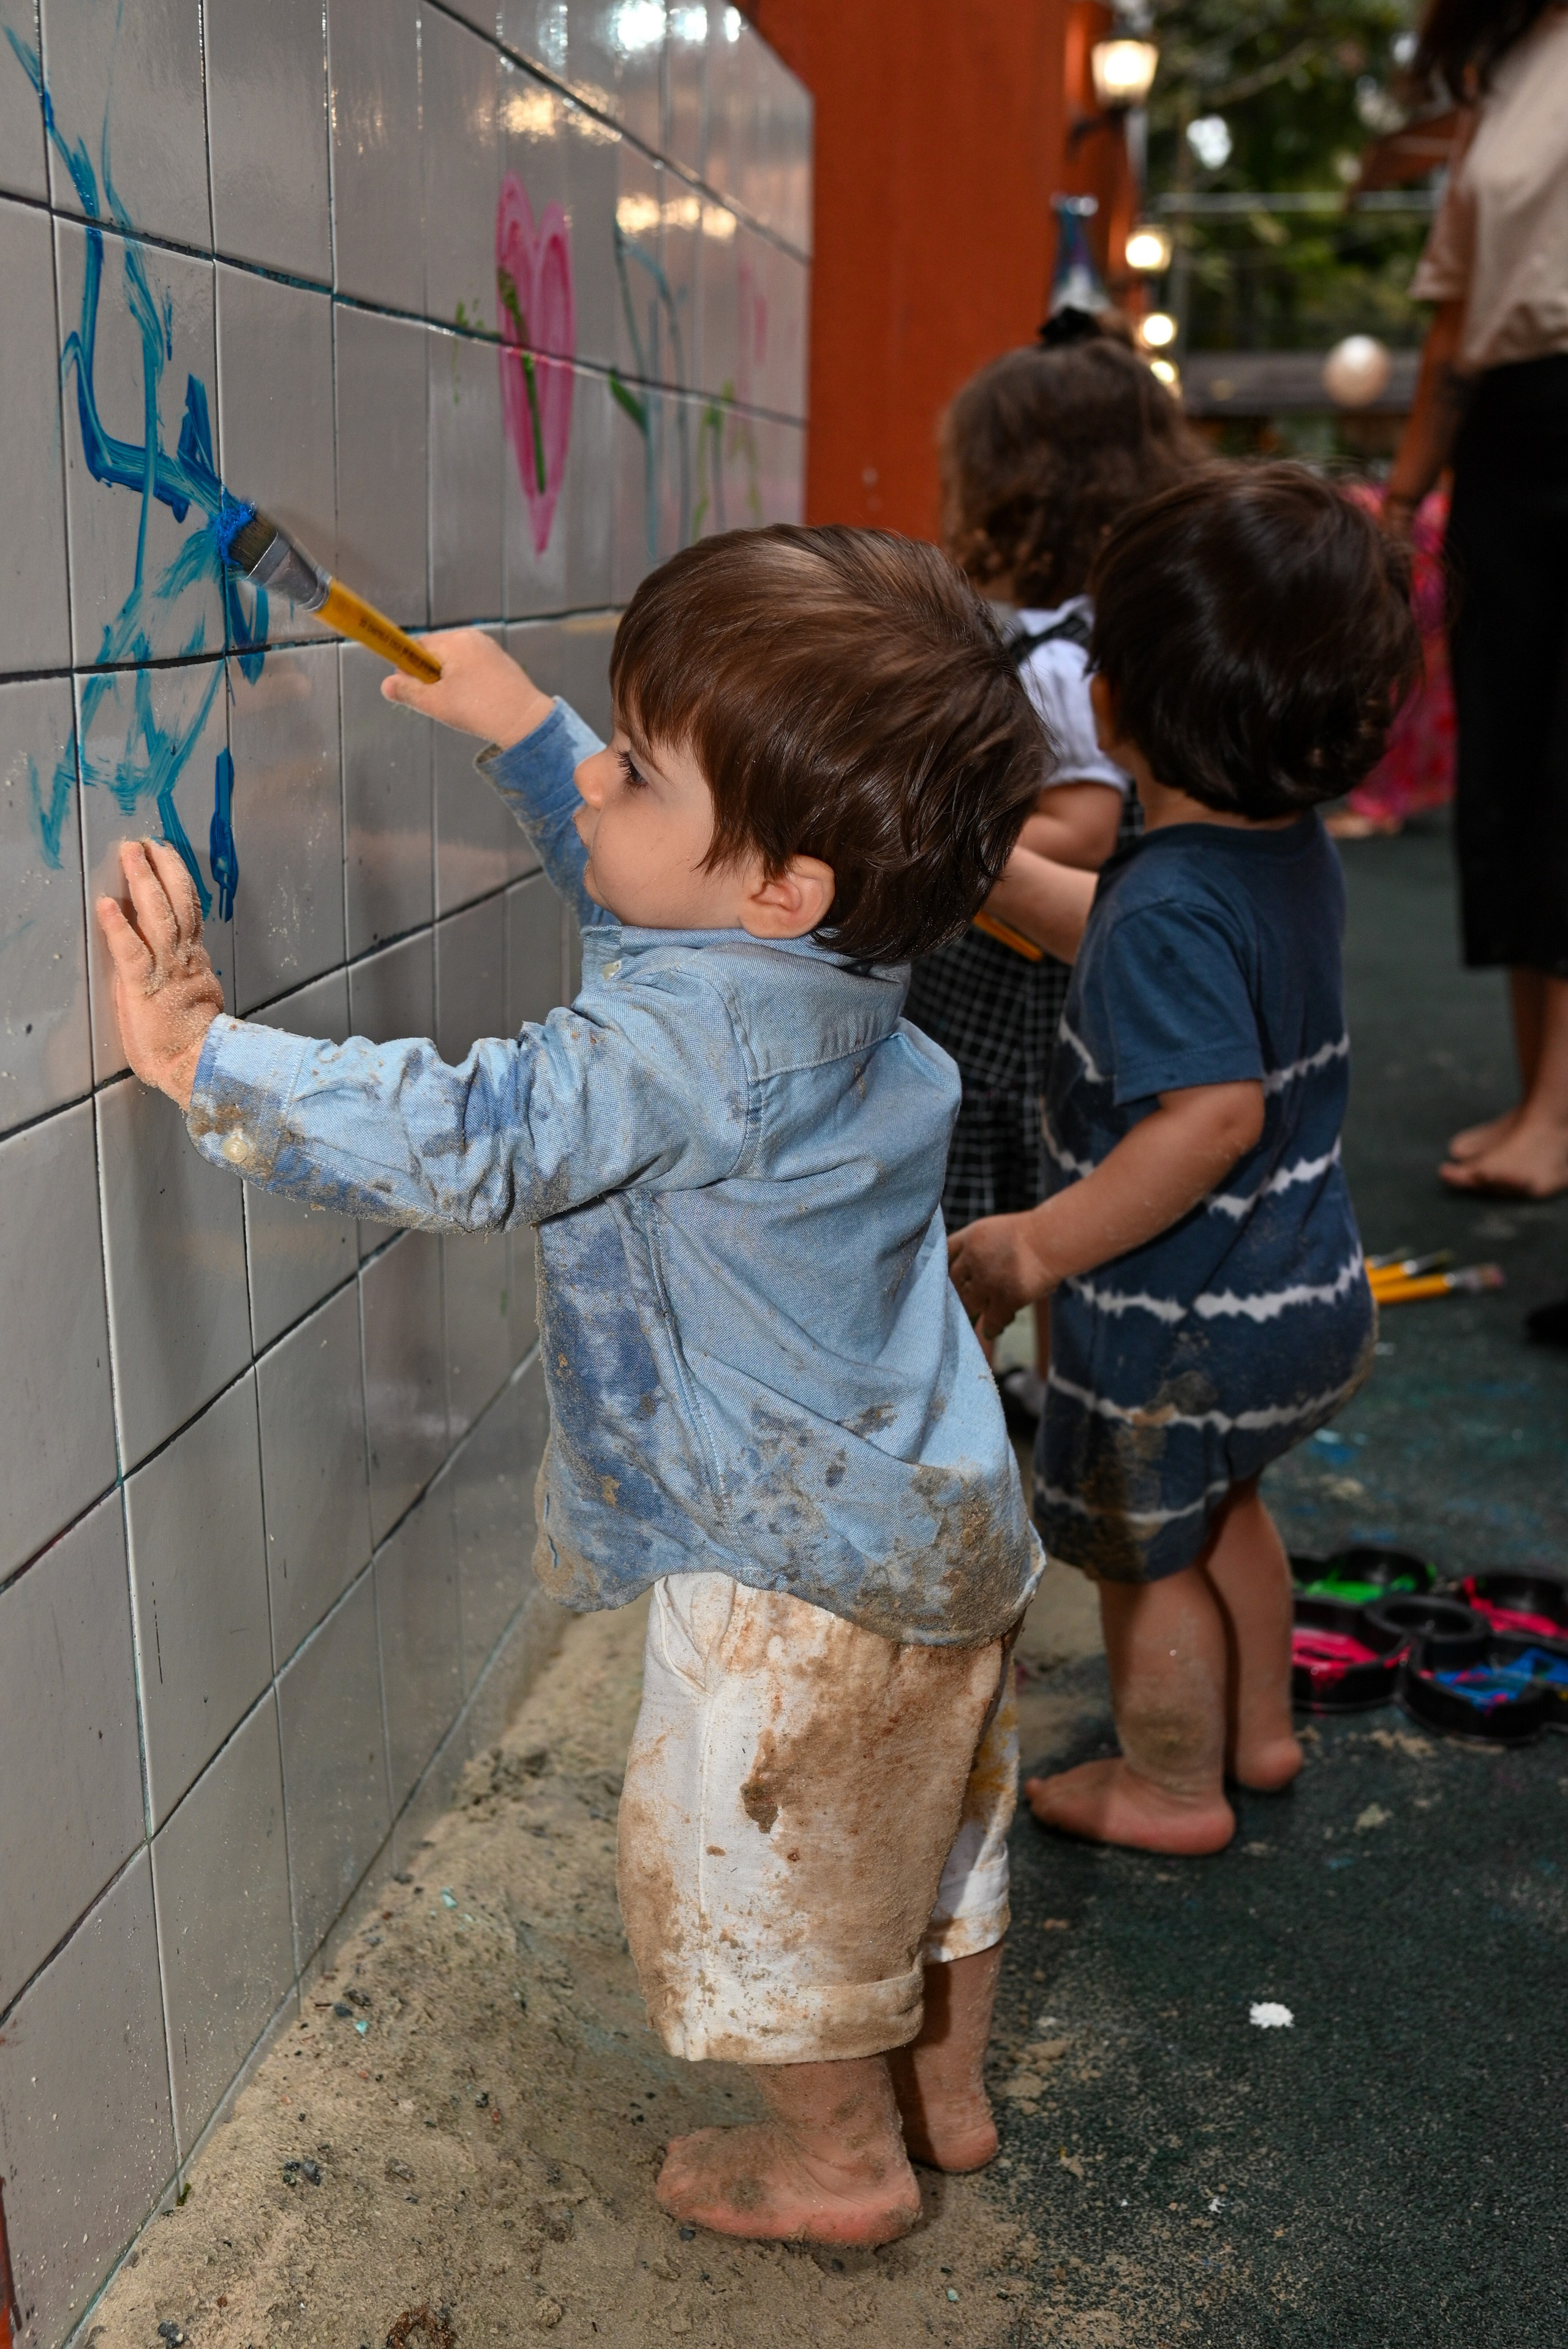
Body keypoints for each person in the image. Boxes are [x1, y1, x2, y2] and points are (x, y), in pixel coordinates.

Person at [94, 526, 1049, 2249]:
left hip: (792, 1587)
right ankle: (948, 2097)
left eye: (632, 764)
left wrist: (203, 1058)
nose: (600, 781)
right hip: (949, 1517)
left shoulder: (683, 1055)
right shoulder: (846, 959)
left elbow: (481, 1133)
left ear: (785, 879)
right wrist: (536, 740)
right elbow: (664, 900)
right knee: (930, 1836)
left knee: (767, 1881)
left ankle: (840, 2160)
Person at [949, 466, 1420, 1857]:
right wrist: (981, 870)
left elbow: (1204, 1114)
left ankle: (1169, 1785)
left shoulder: (1166, 907)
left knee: (1139, 1550)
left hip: (1177, 1323)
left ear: (1102, 711)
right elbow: (1128, 932)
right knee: (1228, 1513)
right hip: (1295, 1292)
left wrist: (1034, 1245)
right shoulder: (1273, 848)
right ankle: (1258, 1732)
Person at [905, 323, 1202, 1432]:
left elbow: (1085, 819)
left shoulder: (1061, 657)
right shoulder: (1061, 635)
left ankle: (981, 1403)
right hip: (1009, 966)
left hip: (1019, 987)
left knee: (997, 1182)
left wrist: (948, 833)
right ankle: (1005, 1391)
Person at [1382, 0, 1568, 1196]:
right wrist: (1398, 501)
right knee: (1504, 761)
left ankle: (1556, 1115)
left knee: (1563, 763)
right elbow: (1451, 318)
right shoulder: (1503, 69)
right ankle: (1532, 1097)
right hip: (1507, 434)